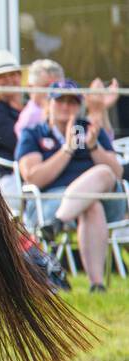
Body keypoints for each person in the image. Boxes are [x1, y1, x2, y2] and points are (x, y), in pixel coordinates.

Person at [16, 78, 125, 292]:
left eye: (72, 102)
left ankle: (57, 223)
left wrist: (94, 148)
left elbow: (117, 173)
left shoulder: (92, 130)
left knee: (103, 172)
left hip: (105, 202)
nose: (66, 106)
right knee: (90, 205)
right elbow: (32, 177)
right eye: (60, 101)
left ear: (79, 105)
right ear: (49, 104)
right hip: (50, 201)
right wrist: (67, 149)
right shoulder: (34, 133)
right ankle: (97, 285)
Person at [16, 59, 64, 134]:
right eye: (46, 86)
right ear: (30, 87)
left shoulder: (65, 110)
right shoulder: (30, 116)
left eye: (56, 87)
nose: (52, 92)